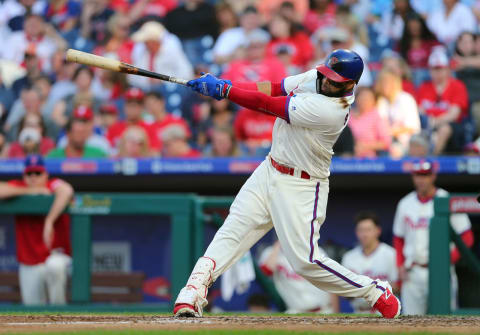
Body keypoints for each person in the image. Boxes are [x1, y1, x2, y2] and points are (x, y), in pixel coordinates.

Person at [173, 49, 401, 319]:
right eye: (327, 75)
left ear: (350, 85)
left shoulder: (333, 110)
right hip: (270, 168)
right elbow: (271, 88)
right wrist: (225, 85)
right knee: (232, 231)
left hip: (302, 185)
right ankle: (192, 292)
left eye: (334, 80)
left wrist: (224, 90)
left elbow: (268, 104)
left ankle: (374, 291)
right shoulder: (317, 77)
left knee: (306, 262)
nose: (326, 82)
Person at [393, 160, 474, 315]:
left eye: (425, 175)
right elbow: (398, 238)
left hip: (441, 272)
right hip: (413, 272)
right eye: (418, 175)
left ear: (433, 176)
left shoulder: (446, 198)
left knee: (446, 321)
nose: (421, 180)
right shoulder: (405, 203)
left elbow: (467, 237)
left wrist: (447, 260)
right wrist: (400, 265)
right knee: (411, 323)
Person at [0, 155, 73, 305]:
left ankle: (60, 316)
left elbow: (66, 190)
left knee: (55, 266)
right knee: (32, 310)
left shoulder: (52, 184)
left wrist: (49, 220)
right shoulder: (19, 187)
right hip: (29, 261)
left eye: (38, 173)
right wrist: (30, 191)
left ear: (45, 174)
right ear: (24, 175)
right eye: (29, 173)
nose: (33, 177)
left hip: (56, 255)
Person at [341, 211, 398, 314]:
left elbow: (397, 287)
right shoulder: (349, 257)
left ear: (378, 231)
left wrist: (368, 289)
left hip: (383, 311)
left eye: (368, 230)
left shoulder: (390, 254)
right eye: (361, 230)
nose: (364, 234)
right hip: (359, 311)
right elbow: (344, 292)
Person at [259, 240, 339, 314]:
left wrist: (335, 312)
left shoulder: (316, 251)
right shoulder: (272, 252)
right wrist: (279, 244)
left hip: (323, 310)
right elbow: (266, 271)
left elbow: (330, 283)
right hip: (295, 312)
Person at [417, 48, 469, 155]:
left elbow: (454, 114)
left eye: (440, 69)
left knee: (444, 129)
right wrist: (428, 123)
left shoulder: (457, 86)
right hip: (427, 126)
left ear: (448, 69)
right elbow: (420, 110)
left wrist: (434, 122)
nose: (437, 72)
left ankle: (431, 159)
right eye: (434, 69)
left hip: (453, 128)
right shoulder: (424, 87)